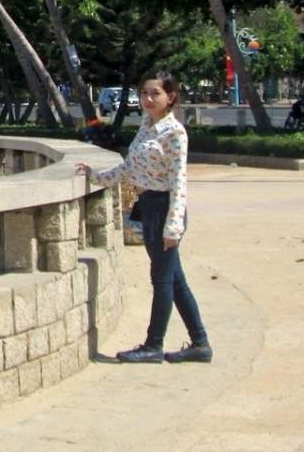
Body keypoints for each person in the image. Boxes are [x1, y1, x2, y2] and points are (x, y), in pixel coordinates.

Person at [76, 71, 211, 365]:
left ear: (170, 97)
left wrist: (173, 226)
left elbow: (179, 181)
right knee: (175, 281)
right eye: (144, 93)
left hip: (165, 210)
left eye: (155, 94)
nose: (148, 100)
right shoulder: (147, 126)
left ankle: (153, 345)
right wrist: (96, 176)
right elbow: (128, 167)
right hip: (148, 207)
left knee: (162, 279)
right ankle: (200, 344)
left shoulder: (174, 133)